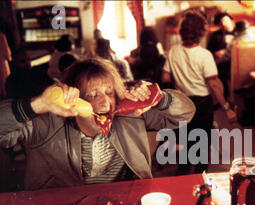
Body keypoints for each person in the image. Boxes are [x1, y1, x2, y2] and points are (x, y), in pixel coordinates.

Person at [0, 57, 195, 190]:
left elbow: (185, 115)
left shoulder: (129, 114)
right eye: (93, 95)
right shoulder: (47, 124)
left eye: (109, 93)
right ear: (75, 98)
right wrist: (37, 104)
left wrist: (159, 98)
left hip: (124, 201)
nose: (105, 102)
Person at [162, 10, 236, 175]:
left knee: (184, 142)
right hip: (202, 106)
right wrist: (227, 108)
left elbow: (165, 77)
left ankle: (182, 176)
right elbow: (214, 86)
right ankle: (199, 180)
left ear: (183, 32)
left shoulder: (173, 51)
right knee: (201, 145)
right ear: (200, 33)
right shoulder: (204, 55)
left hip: (181, 104)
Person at [207, 11, 236, 96]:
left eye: (226, 21)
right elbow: (209, 51)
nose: (224, 24)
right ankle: (224, 96)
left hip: (237, 61)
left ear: (231, 21)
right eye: (221, 23)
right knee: (221, 71)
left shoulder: (239, 32)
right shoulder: (216, 35)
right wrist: (217, 53)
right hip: (222, 62)